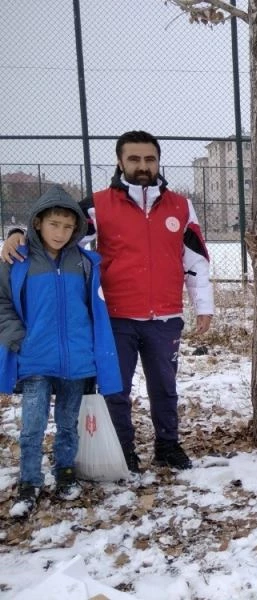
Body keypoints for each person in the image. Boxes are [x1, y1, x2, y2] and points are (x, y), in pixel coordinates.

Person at [1, 131, 213, 473]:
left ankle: (168, 445)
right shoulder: (98, 204)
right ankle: (123, 449)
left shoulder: (180, 206)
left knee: (165, 387)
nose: (142, 166)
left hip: (166, 317)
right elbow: (57, 232)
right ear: (120, 162)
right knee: (116, 388)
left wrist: (204, 305)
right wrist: (18, 234)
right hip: (115, 317)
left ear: (158, 161)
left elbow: (196, 259)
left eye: (149, 159)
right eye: (134, 159)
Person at [0, 187, 122, 517]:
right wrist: (18, 338)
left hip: (77, 360)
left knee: (68, 423)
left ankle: (65, 472)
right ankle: (29, 481)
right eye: (54, 224)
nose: (61, 232)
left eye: (68, 227)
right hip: (35, 358)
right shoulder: (18, 261)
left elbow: (93, 310)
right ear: (38, 223)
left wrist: (95, 356)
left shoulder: (84, 263)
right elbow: (3, 304)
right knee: (32, 426)